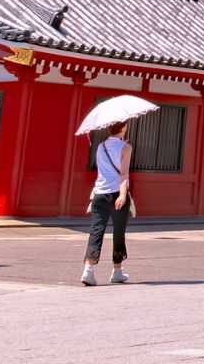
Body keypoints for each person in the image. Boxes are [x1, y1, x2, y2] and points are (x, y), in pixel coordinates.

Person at [81, 120, 132, 286]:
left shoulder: (100, 147)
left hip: (99, 193)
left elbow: (102, 172)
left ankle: (88, 270)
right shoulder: (126, 148)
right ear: (123, 128)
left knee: (96, 231)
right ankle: (117, 271)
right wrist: (123, 195)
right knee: (118, 232)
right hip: (117, 193)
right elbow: (124, 174)